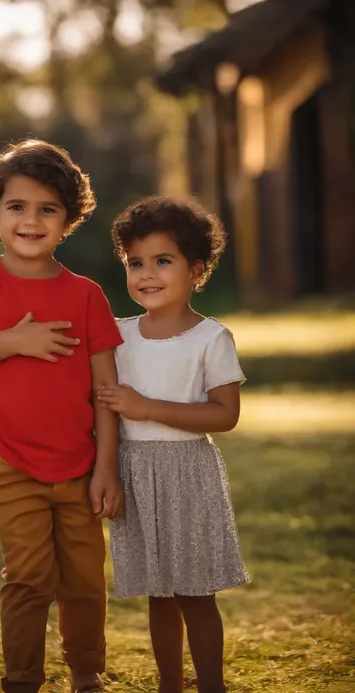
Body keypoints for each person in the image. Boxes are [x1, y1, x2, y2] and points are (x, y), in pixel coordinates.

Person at [0, 139, 124, 693]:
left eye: (47, 208)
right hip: (9, 463)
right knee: (30, 578)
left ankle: (86, 674)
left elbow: (106, 389)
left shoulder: (86, 295)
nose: (31, 220)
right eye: (16, 207)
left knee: (85, 580)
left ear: (68, 219)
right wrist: (14, 340)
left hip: (82, 465)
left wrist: (106, 468)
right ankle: (23, 680)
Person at [97, 196, 249, 693]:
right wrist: (110, 475)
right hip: (134, 473)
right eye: (135, 263)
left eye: (163, 261)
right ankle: (169, 685)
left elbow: (225, 414)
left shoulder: (210, 338)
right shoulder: (116, 337)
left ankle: (212, 686)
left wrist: (147, 408)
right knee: (157, 595)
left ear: (196, 269)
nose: (147, 274)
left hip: (188, 475)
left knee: (194, 593)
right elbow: (102, 409)